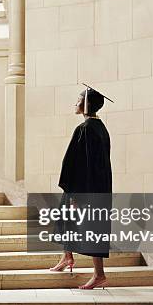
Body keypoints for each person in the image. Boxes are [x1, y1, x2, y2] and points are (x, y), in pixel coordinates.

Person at [50, 84, 113, 290]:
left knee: (92, 229)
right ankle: (67, 257)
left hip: (83, 189)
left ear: (86, 104)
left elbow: (77, 164)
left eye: (78, 100)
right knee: (66, 221)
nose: (75, 103)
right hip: (95, 187)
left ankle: (99, 275)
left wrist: (76, 196)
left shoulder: (85, 129)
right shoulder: (101, 128)